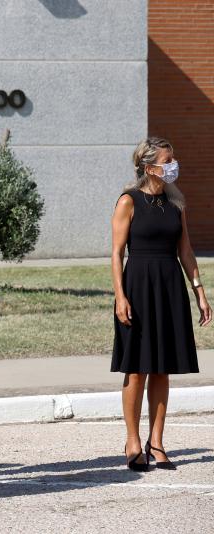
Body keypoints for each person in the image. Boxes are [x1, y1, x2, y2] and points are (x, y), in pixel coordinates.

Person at [111, 137, 211, 472]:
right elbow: (116, 253)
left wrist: (199, 291)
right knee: (136, 368)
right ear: (148, 166)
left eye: (173, 158)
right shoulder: (129, 201)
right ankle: (132, 441)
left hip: (169, 287)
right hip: (138, 286)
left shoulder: (176, 202)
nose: (173, 165)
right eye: (168, 160)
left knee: (162, 368)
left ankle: (157, 442)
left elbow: (186, 250)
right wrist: (120, 296)